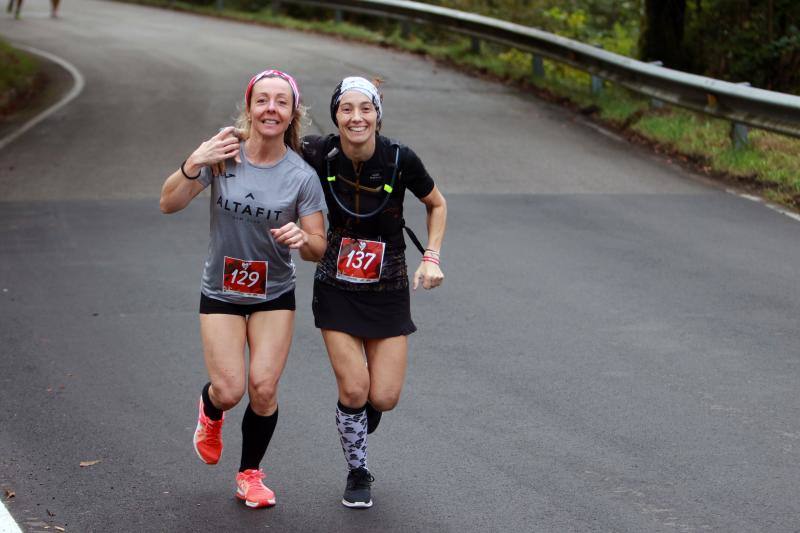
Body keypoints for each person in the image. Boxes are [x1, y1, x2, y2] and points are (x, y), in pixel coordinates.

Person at [159, 69, 326, 509]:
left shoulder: (302, 176)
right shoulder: (222, 155)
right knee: (230, 390)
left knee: (264, 388)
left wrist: (302, 239)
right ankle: (211, 409)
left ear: (293, 114)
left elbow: (317, 248)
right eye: (263, 100)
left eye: (281, 102)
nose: (271, 109)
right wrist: (194, 160)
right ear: (249, 109)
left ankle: (249, 474)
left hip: (274, 293)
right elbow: (168, 203)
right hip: (222, 291)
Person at [301, 76, 447, 509]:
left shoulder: (400, 158)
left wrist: (433, 255)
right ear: (336, 115)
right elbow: (271, 141)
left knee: (382, 396)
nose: (356, 117)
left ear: (377, 115)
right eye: (347, 109)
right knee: (354, 390)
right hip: (336, 285)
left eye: (365, 109)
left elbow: (436, 203)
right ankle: (358, 470)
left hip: (388, 284)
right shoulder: (317, 151)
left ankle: (358, 422)